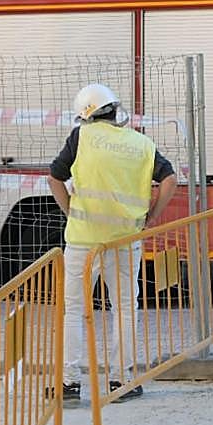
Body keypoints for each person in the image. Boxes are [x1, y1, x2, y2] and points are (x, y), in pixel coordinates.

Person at [47, 83, 178, 405]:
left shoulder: (80, 137)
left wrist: (70, 211)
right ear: (114, 110)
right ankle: (122, 380)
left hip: (82, 241)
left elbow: (54, 177)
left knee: (73, 310)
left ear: (86, 115)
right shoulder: (142, 143)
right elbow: (170, 180)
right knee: (124, 309)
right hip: (124, 241)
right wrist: (151, 216)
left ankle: (69, 384)